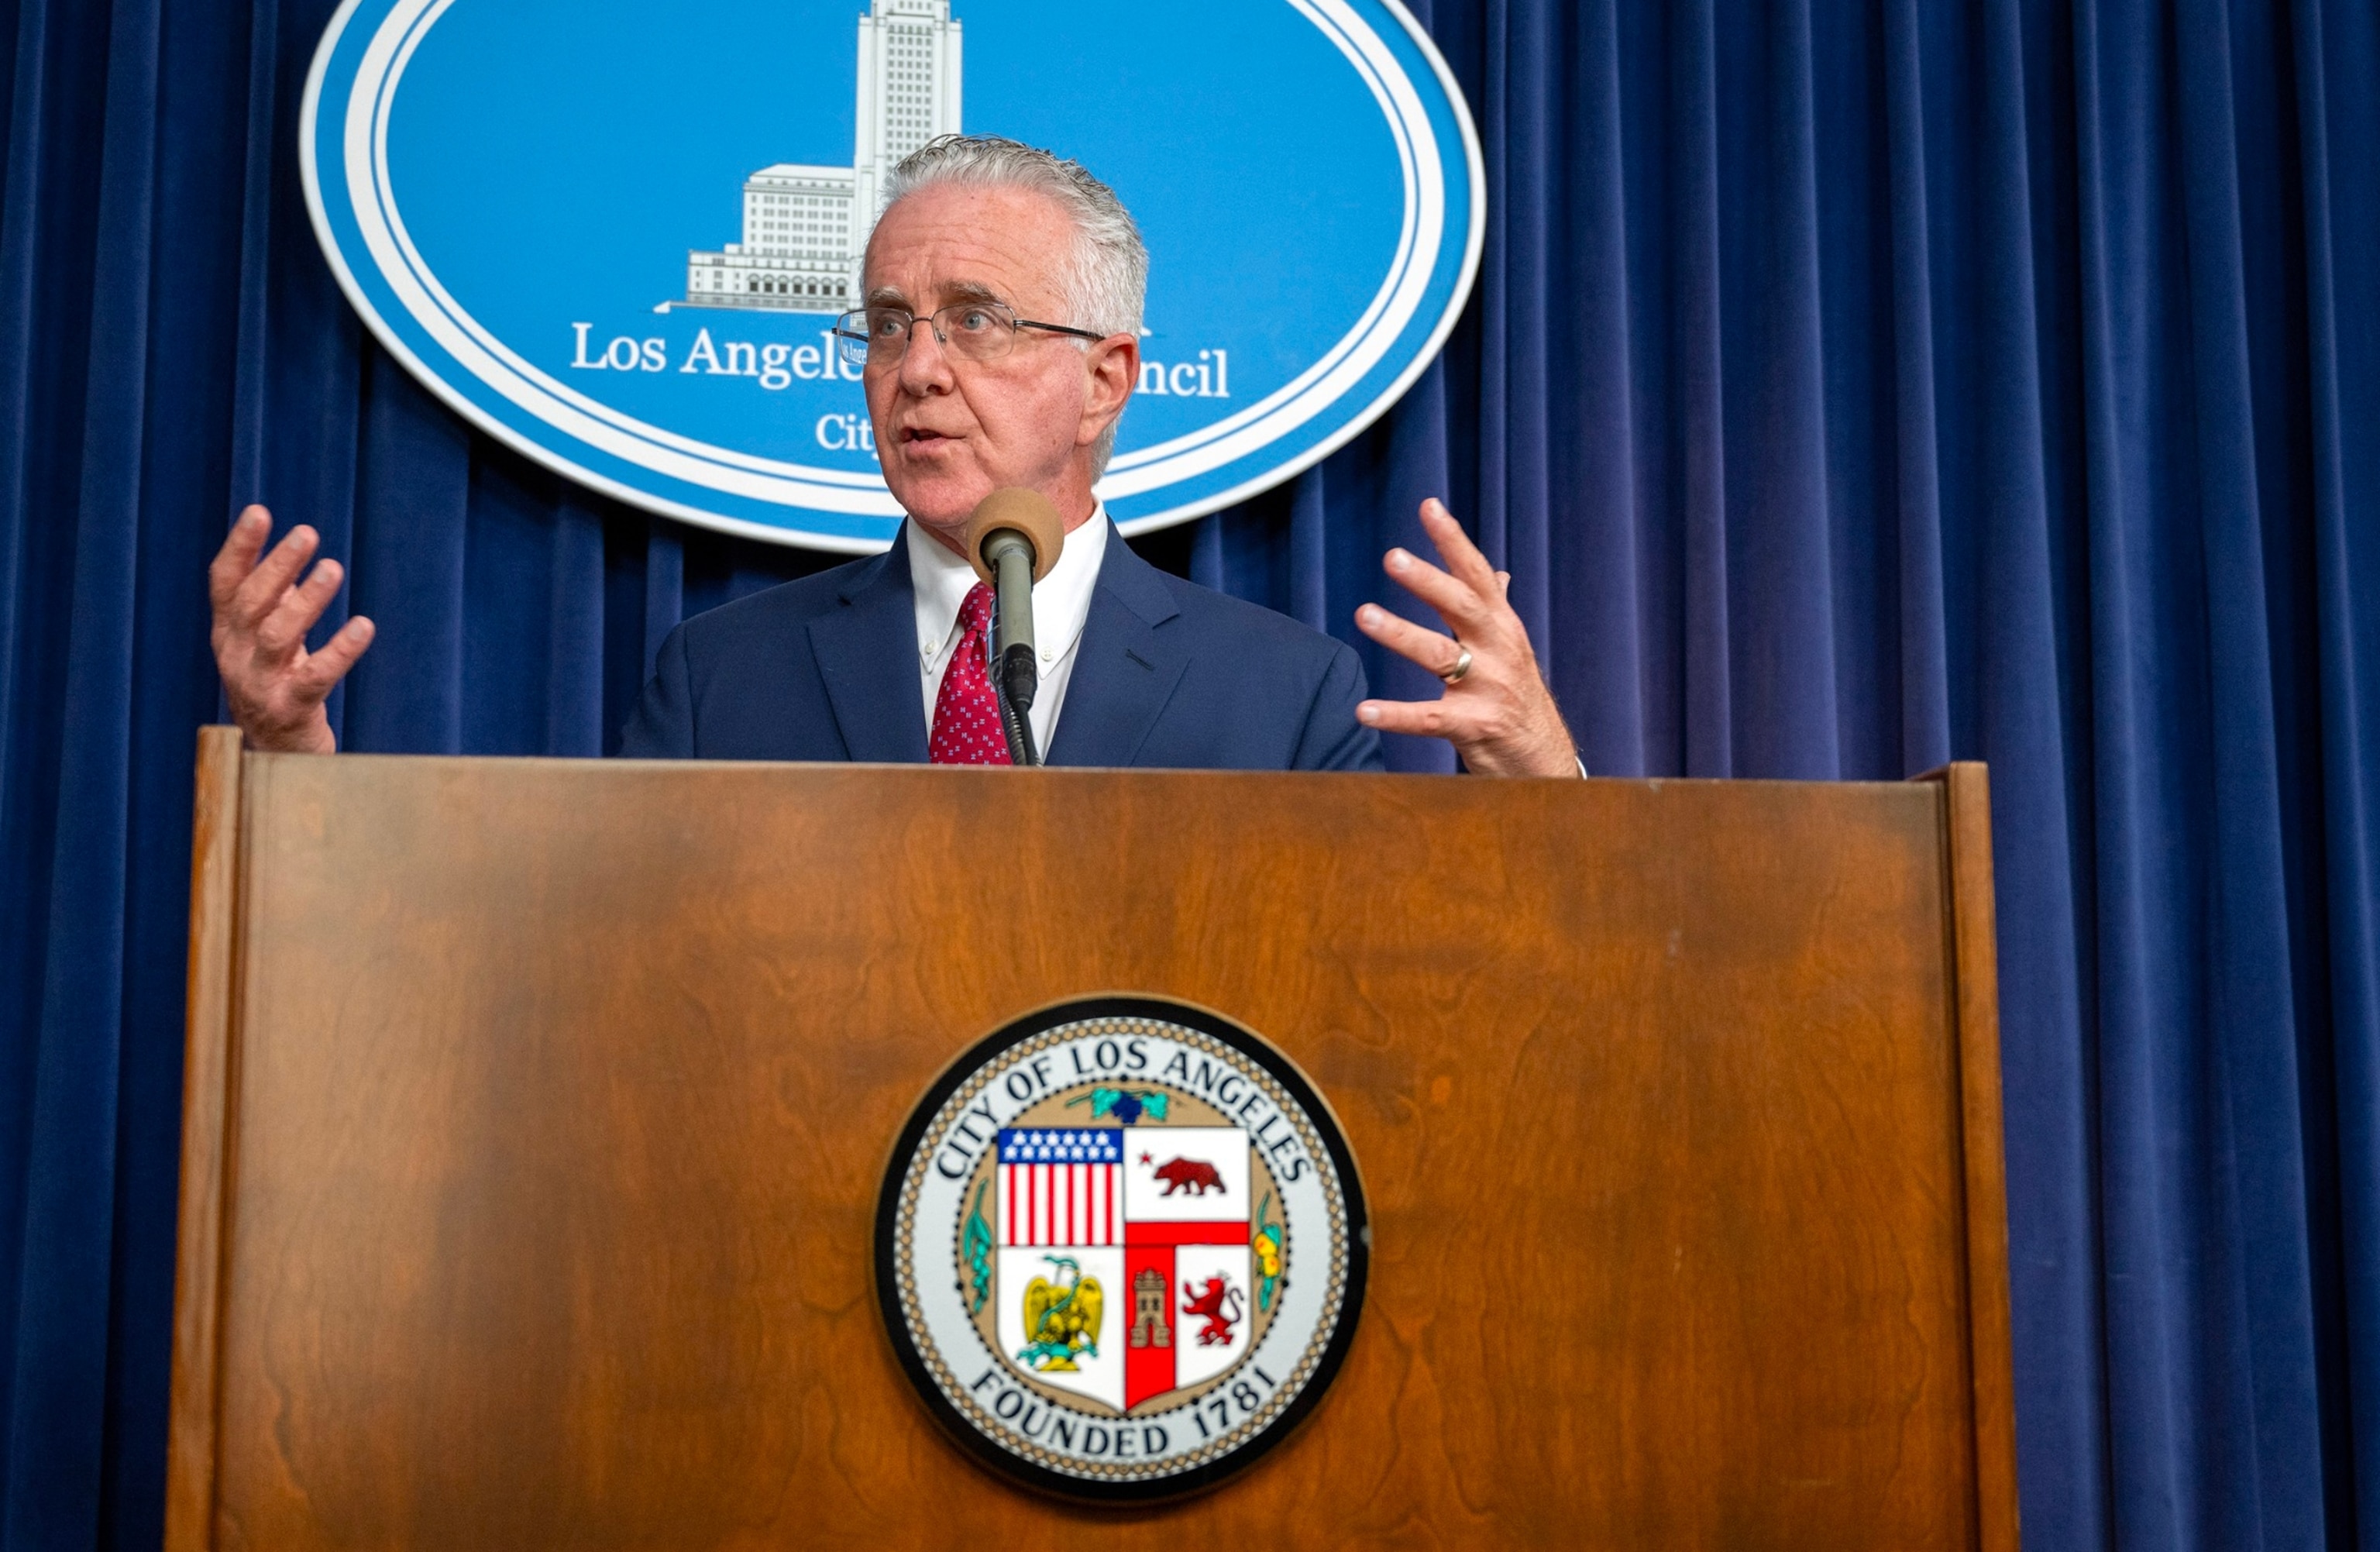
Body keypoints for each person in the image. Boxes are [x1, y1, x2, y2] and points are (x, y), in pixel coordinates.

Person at [209, 136, 1579, 778]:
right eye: (886, 325)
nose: (916, 369)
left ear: (1107, 379)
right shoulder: (719, 681)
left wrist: (1542, 782)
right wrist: (293, 761)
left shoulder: (1285, 697)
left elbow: (1424, 1002)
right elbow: (570, 972)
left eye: (976, 321)